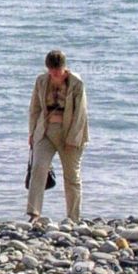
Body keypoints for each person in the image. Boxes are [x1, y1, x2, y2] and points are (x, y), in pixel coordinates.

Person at [27, 49, 89, 224]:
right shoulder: (41, 81)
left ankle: (73, 217)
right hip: (45, 131)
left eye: (58, 72)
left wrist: (73, 139)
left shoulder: (76, 83)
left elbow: (80, 115)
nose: (55, 75)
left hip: (70, 132)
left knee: (71, 176)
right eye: (51, 72)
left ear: (64, 68)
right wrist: (32, 133)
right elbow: (35, 108)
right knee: (38, 168)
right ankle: (34, 213)